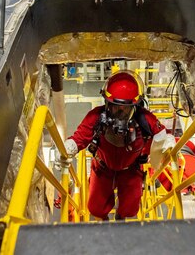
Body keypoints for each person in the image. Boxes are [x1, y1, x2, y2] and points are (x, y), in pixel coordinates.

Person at [58, 70, 175, 220]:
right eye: (115, 106)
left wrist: (168, 144)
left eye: (125, 108)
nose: (120, 113)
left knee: (131, 209)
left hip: (131, 169)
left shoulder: (145, 120)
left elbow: (162, 135)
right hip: (102, 168)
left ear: (135, 106)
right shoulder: (96, 117)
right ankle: (105, 221)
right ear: (107, 103)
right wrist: (67, 148)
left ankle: (121, 218)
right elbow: (80, 137)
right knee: (96, 208)